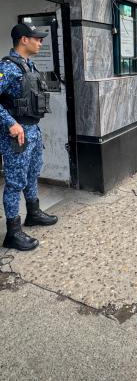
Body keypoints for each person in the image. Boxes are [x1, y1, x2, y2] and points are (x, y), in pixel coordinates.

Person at [0, 24, 58, 252]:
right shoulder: (7, 67)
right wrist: (10, 123)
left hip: (32, 131)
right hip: (17, 135)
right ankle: (13, 233)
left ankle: (33, 214)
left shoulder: (27, 65)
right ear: (24, 40)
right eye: (37, 38)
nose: (40, 42)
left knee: (32, 173)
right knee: (15, 182)